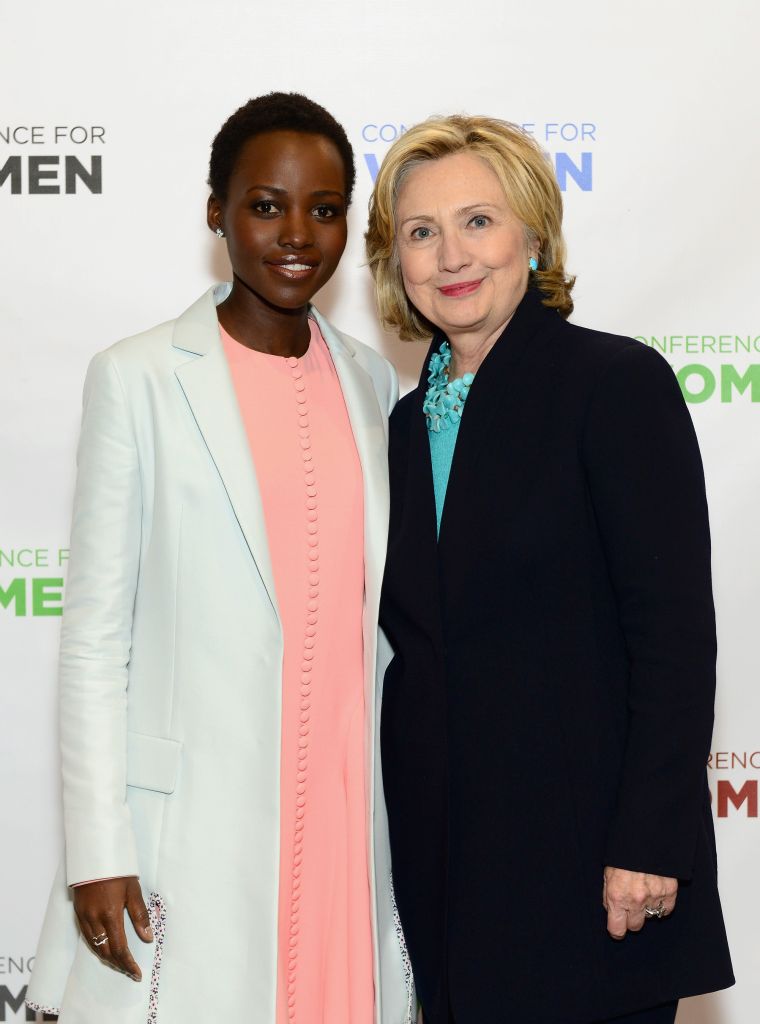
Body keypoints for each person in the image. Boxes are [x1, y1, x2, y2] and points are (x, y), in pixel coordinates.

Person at [27, 92, 413, 1024]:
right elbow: (94, 639)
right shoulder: (138, 377)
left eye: (325, 209)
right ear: (217, 212)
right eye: (266, 205)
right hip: (193, 821)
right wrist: (99, 849)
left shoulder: (370, 380)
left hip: (344, 819)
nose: (297, 235)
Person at [365, 115, 734, 1024]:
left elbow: (674, 638)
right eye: (421, 232)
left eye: (478, 221)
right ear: (397, 263)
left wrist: (651, 840)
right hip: (445, 875)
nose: (452, 255)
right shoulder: (398, 431)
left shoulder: (612, 383)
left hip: (594, 873)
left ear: (532, 238)